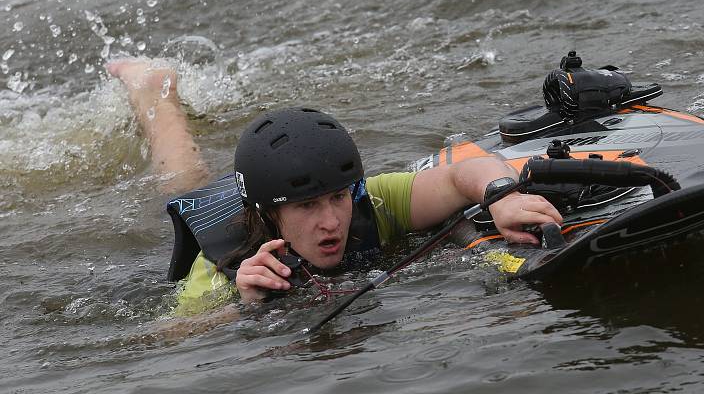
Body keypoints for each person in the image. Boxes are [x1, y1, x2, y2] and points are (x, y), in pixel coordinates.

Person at [107, 59, 563, 313]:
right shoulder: (220, 267)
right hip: (223, 228)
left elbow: (461, 169)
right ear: (270, 215)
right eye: (307, 207)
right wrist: (238, 304)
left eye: (337, 198)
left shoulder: (372, 201)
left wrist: (503, 194)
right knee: (184, 180)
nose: (331, 222)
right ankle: (154, 91)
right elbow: (164, 342)